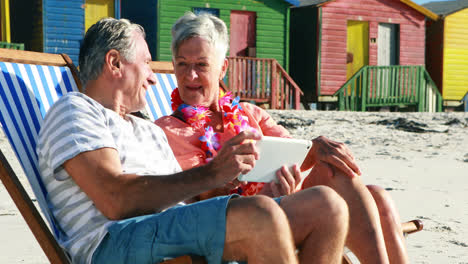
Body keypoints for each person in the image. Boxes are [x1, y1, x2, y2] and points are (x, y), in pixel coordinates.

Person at [37, 17, 350, 264]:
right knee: (261, 215)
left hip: (172, 228)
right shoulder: (75, 110)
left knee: (327, 206)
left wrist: (232, 186)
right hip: (114, 241)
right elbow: (116, 200)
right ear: (115, 63)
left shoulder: (147, 130)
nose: (153, 77)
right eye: (146, 63)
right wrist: (212, 173)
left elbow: (185, 200)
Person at [155, 12, 409, 264]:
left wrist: (318, 147)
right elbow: (199, 201)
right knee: (329, 203)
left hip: (284, 204)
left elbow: (297, 153)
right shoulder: (169, 130)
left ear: (222, 68)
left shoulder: (249, 113)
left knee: (373, 194)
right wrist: (255, 192)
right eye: (182, 64)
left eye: (201, 64)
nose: (190, 76)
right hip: (233, 225)